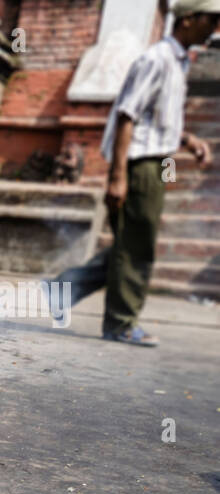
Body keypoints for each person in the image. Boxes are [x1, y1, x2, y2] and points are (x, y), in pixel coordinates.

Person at [51, 0, 219, 347]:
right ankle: (121, 323)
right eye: (211, 18)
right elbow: (127, 115)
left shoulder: (177, 61)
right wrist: (117, 177)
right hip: (139, 163)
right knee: (137, 245)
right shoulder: (155, 59)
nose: (215, 26)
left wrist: (187, 140)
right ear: (187, 20)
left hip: (153, 160)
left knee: (131, 240)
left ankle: (60, 290)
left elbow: (154, 117)